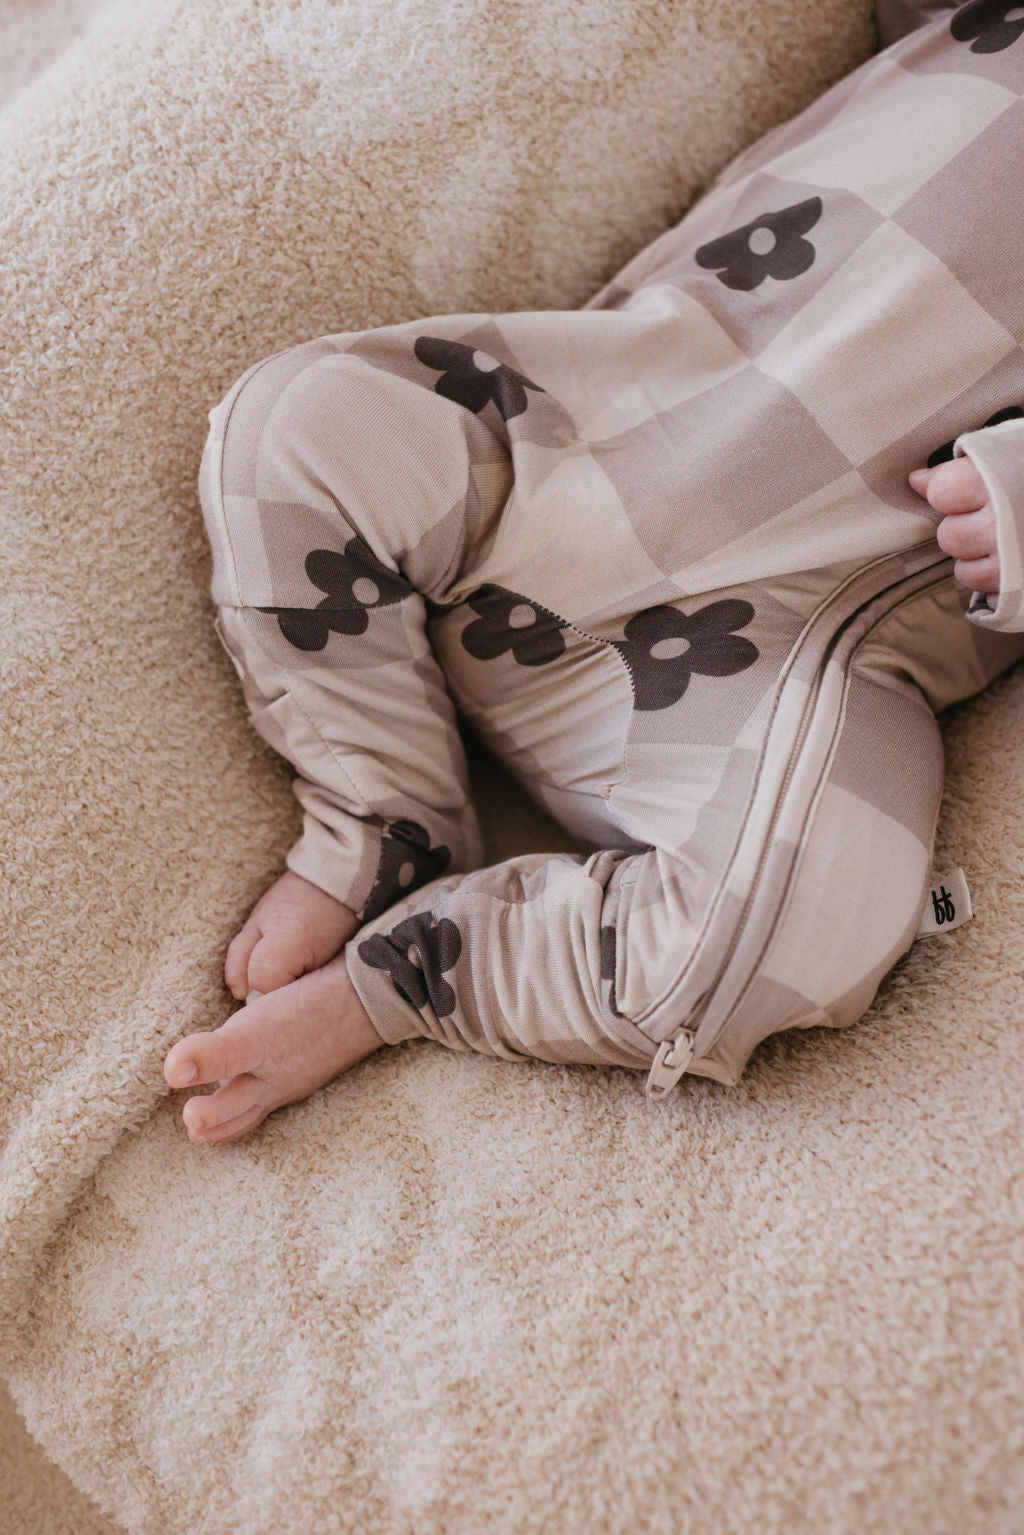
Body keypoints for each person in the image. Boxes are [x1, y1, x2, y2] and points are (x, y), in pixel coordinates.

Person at [164, 0, 1024, 1142]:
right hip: (581, 434)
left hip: (779, 661)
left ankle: (421, 971)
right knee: (295, 427)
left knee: (800, 926)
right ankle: (381, 813)